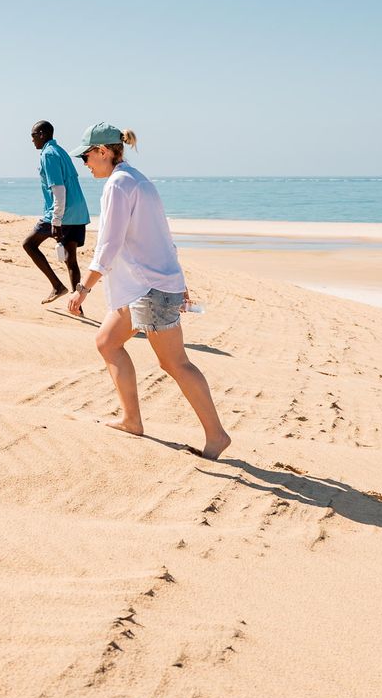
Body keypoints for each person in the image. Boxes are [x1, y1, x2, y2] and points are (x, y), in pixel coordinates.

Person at [68, 123, 232, 460]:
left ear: (103, 151)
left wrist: (83, 288)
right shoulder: (139, 180)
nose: (84, 163)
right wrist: (179, 281)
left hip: (149, 289)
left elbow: (108, 244)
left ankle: (216, 436)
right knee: (107, 342)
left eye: (86, 156)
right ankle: (131, 420)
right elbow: (163, 236)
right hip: (151, 286)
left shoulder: (118, 185)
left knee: (175, 363)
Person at [22, 120, 89, 304]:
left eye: (33, 135)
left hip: (62, 213)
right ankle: (77, 306)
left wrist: (56, 220)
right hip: (78, 212)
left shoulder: (49, 154)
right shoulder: (61, 151)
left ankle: (57, 286)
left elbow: (58, 189)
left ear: (42, 134)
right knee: (71, 260)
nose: (32, 140)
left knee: (29, 244)